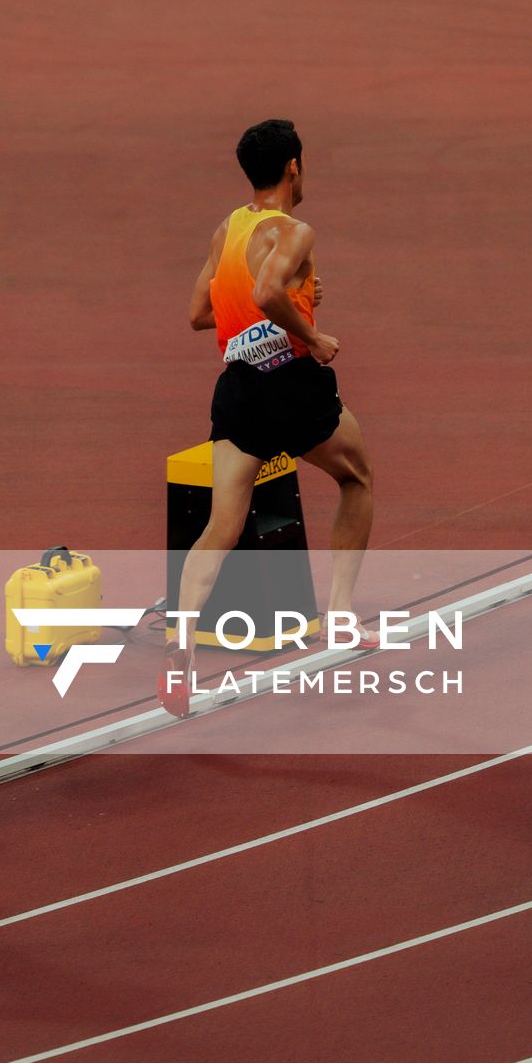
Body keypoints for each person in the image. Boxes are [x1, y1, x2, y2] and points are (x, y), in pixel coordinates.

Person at [161, 119, 375, 716]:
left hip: (239, 391)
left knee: (221, 527)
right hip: (294, 383)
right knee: (356, 478)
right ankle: (338, 617)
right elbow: (266, 294)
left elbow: (201, 313)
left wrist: (296, 298)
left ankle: (181, 650)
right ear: (294, 167)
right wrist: (312, 330)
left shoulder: (227, 228)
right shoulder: (295, 230)